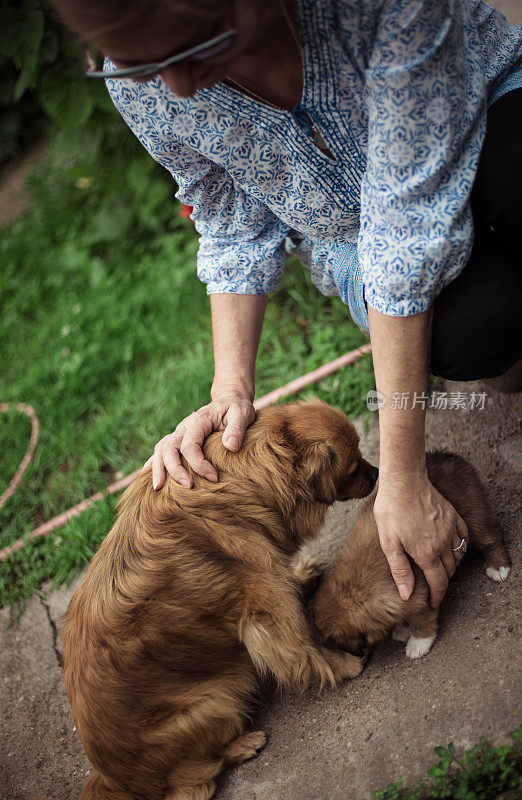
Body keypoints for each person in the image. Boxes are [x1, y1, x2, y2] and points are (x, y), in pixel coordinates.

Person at [52, 0, 522, 610]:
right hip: (353, 237)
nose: (173, 85)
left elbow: (407, 232)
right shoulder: (154, 86)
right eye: (136, 64)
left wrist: (404, 477)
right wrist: (230, 393)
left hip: (484, 115)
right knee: (469, 329)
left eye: (189, 45)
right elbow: (230, 219)